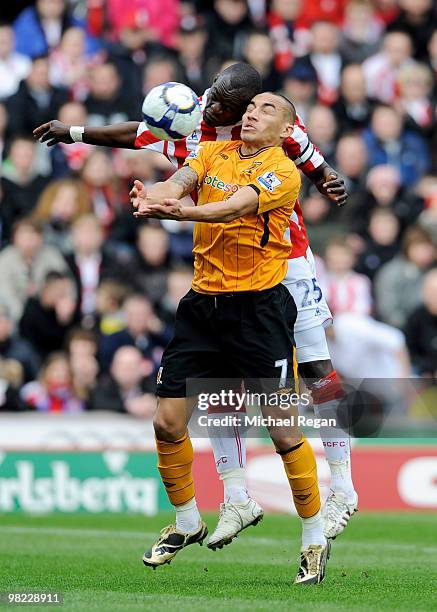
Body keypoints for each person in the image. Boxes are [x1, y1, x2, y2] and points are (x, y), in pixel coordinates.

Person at [34, 62, 356, 543]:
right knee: (223, 385)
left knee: (316, 373)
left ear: (248, 106)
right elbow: (139, 135)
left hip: (286, 261)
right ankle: (235, 498)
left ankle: (344, 490)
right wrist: (77, 132)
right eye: (211, 93)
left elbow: (308, 154)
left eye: (225, 101)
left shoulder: (272, 126)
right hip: (224, 275)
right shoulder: (194, 129)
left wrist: (328, 175)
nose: (211, 103)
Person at [130, 91, 331, 584]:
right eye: (250, 107)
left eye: (266, 110)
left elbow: (232, 209)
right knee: (166, 422)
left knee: (283, 431)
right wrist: (160, 193)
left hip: (258, 311)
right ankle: (185, 522)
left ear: (286, 131)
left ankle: (314, 537)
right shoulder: (214, 151)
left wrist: (179, 216)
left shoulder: (283, 173)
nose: (250, 114)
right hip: (203, 306)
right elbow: (184, 176)